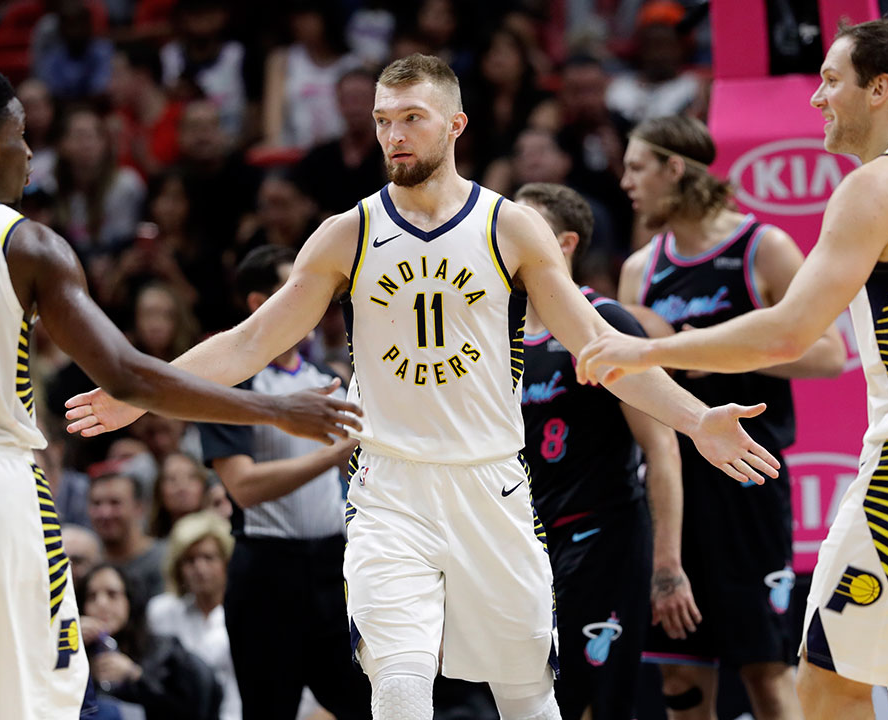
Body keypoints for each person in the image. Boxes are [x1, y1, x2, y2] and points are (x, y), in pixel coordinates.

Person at [65, 54, 779, 720]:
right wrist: (141, 388)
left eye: (411, 118)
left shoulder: (512, 227)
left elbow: (600, 348)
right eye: (382, 120)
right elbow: (248, 342)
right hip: (391, 491)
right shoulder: (349, 232)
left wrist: (696, 419)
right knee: (400, 683)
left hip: (491, 485)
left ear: (455, 125)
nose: (393, 135)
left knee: (527, 695)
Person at [0, 67, 360, 720]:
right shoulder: (29, 244)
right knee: (32, 703)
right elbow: (129, 375)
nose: (30, 153)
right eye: (20, 136)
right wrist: (272, 407)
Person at [577, 17, 888, 720]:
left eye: (830, 80)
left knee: (826, 684)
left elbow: (787, 334)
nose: (816, 98)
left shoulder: (880, 185)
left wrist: (649, 348)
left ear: (879, 89)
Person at [616, 114, 846, 720]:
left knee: (766, 671)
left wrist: (706, 346)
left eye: (637, 166)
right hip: (674, 489)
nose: (624, 181)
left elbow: (827, 355)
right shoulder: (641, 268)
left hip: (748, 481)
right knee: (679, 678)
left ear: (674, 168)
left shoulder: (761, 247)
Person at [514, 182, 691, 720]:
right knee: (533, 698)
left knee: (594, 701)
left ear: (565, 243)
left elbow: (661, 447)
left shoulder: (606, 323)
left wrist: (666, 564)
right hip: (525, 541)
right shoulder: (496, 332)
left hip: (602, 533)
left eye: (525, 224)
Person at [197, 245, 371, 720]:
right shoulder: (229, 388)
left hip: (336, 566)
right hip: (266, 574)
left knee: (368, 706)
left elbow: (357, 474)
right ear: (258, 304)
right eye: (290, 288)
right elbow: (245, 487)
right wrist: (333, 455)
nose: (309, 298)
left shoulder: (330, 378)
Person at [79, 563, 222, 720]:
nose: (101, 604)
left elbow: (189, 710)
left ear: (130, 600)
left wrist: (135, 676)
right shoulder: (75, 650)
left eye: (112, 594)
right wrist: (70, 644)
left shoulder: (164, 651)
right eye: (91, 597)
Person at [148, 511, 242, 720]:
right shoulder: (162, 612)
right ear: (178, 567)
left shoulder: (248, 614)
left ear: (226, 562)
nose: (199, 568)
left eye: (209, 558)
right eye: (190, 560)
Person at [90, 472, 168, 597]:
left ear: (139, 508)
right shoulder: (88, 563)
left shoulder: (164, 561)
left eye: (115, 503)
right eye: (96, 503)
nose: (104, 513)